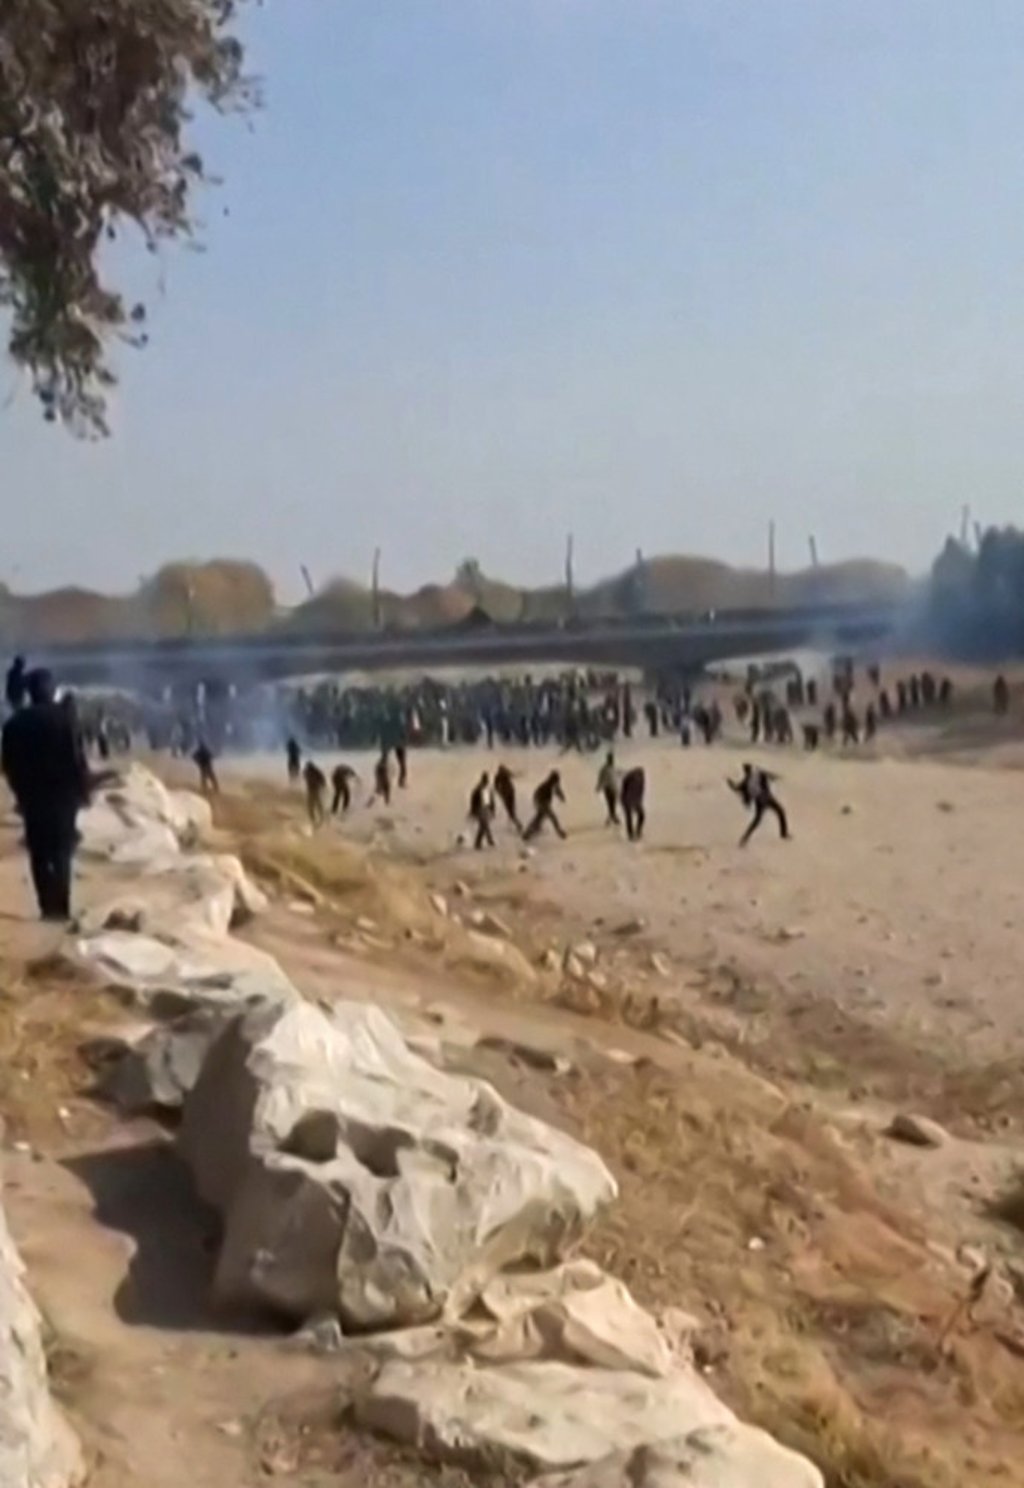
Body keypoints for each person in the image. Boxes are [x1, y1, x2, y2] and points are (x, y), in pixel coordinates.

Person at [1, 669, 90, 921]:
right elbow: (77, 760)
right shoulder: (65, 720)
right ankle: (61, 906)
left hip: (32, 796)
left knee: (39, 851)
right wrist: (82, 791)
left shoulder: (14, 724)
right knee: (61, 851)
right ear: (51, 690)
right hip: (63, 796)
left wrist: (20, 791)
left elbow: (7, 764)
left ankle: (46, 906)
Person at [728, 763, 790, 847]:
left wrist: (729, 782)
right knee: (780, 811)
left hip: (759, 800)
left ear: (745, 771)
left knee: (757, 820)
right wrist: (777, 777)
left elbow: (736, 788)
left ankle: (745, 838)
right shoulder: (758, 774)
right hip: (767, 797)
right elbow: (769, 775)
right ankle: (783, 833)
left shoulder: (746, 781)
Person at [523, 770, 567, 841]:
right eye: (557, 780)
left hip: (539, 801)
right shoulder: (548, 784)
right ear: (554, 779)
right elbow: (557, 790)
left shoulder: (549, 784)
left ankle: (527, 833)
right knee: (552, 817)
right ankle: (559, 832)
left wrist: (561, 796)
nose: (558, 782)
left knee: (539, 818)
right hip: (542, 802)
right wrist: (561, 797)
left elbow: (557, 790)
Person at [468, 772, 495, 850]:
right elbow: (473, 800)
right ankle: (483, 842)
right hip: (480, 809)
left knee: (484, 825)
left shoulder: (487, 789)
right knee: (484, 825)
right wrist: (473, 810)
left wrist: (492, 810)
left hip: (485, 808)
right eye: (486, 779)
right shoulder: (478, 789)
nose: (487, 781)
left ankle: (486, 841)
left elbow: (491, 800)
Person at [493, 764, 522, 833]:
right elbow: (513, 775)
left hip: (507, 795)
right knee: (511, 811)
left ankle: (517, 825)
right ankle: (514, 824)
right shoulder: (504, 774)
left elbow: (496, 787)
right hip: (509, 794)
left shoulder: (499, 776)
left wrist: (500, 793)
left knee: (510, 811)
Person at [620, 766, 646, 842]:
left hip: (634, 799)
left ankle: (636, 832)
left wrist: (640, 800)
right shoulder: (631, 779)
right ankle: (632, 834)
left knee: (640, 815)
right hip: (627, 799)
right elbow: (624, 788)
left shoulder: (640, 780)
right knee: (630, 817)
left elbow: (641, 791)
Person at [595, 751, 620, 826]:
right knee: (610, 803)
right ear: (608, 759)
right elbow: (601, 778)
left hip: (614, 788)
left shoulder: (613, 768)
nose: (612, 760)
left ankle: (612, 816)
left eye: (612, 759)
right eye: (610, 759)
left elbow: (618, 774)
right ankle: (612, 817)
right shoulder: (604, 769)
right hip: (608, 789)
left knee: (613, 803)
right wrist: (599, 787)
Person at [303, 760, 327, 826]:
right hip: (311, 789)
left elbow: (322, 779)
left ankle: (321, 817)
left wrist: (322, 785)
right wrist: (322, 784)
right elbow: (322, 779)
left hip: (315, 789)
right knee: (312, 804)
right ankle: (314, 818)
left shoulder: (315, 771)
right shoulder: (307, 771)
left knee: (316, 804)